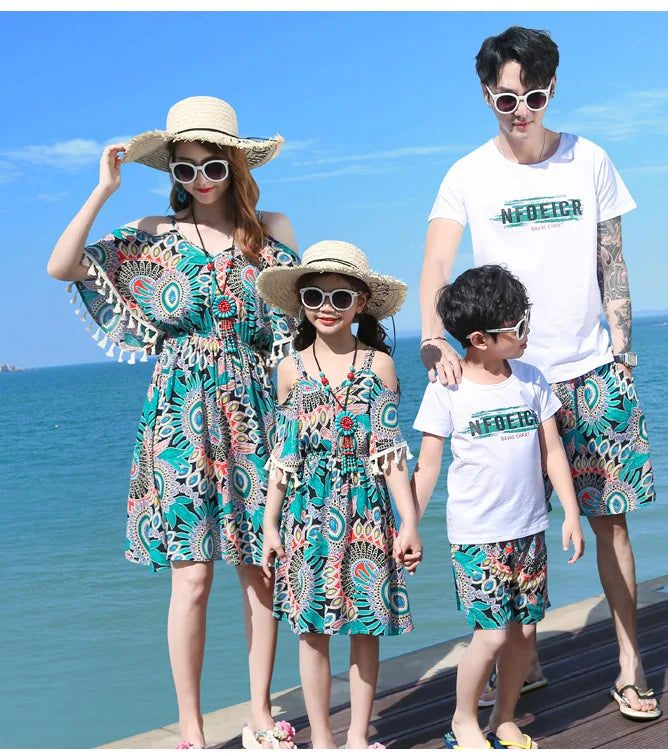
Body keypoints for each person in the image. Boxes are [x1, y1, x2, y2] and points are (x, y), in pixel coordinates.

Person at [419, 26, 661, 722]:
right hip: (509, 378)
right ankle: (521, 663)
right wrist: (436, 339)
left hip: (591, 372)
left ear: (552, 90)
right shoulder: (467, 173)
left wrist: (622, 344)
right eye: (505, 98)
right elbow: (437, 262)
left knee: (611, 523)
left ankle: (630, 662)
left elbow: (612, 260)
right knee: (511, 533)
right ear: (485, 95)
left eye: (532, 96)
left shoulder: (590, 160)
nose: (520, 110)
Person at [47, 96, 300, 749]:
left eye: (211, 165)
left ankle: (261, 714)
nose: (199, 181)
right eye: (184, 170)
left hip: (253, 416)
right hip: (179, 418)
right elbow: (63, 266)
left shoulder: (270, 231)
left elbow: (298, 340)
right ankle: (190, 730)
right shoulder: (152, 233)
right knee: (191, 577)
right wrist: (103, 190)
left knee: (261, 569)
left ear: (235, 163)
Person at [257, 241, 423, 749]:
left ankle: (356, 739)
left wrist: (409, 521)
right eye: (313, 296)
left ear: (361, 302)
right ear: (300, 303)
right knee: (311, 631)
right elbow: (283, 458)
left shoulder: (379, 366)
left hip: (368, 512)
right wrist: (268, 524)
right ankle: (323, 742)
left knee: (365, 628)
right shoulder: (288, 369)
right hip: (306, 514)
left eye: (339, 297)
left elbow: (390, 454)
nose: (325, 307)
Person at [411, 265, 584, 750]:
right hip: (476, 535)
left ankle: (504, 719)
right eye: (519, 327)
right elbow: (427, 468)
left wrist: (569, 513)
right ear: (481, 339)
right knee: (489, 636)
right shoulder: (447, 389)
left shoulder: (530, 379)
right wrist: (408, 526)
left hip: (529, 530)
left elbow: (552, 451)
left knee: (523, 634)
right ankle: (463, 719)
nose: (528, 333)